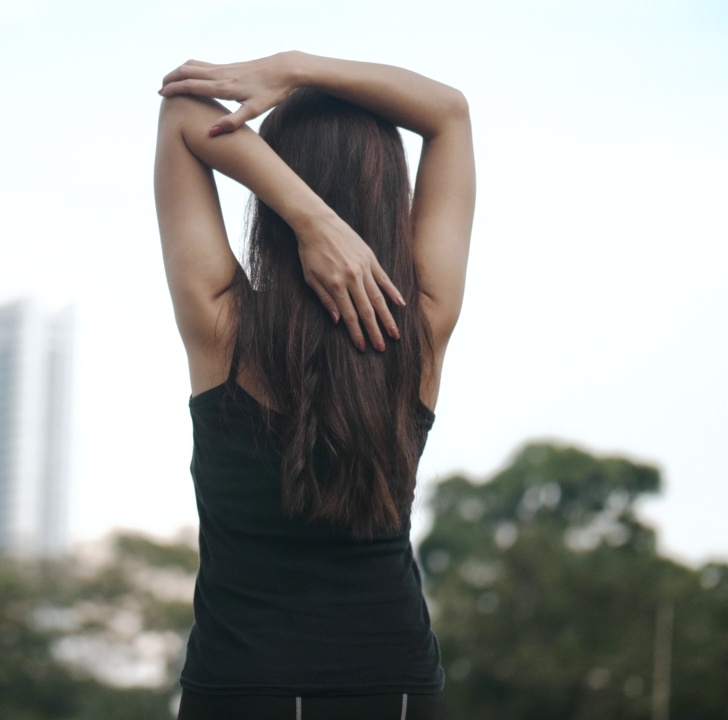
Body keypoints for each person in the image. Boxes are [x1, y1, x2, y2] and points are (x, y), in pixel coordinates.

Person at [154, 51, 475, 720]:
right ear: (393, 197)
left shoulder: (220, 326)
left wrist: (310, 219)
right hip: (397, 691)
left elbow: (183, 113)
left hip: (240, 691)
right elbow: (449, 114)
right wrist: (300, 69)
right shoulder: (421, 324)